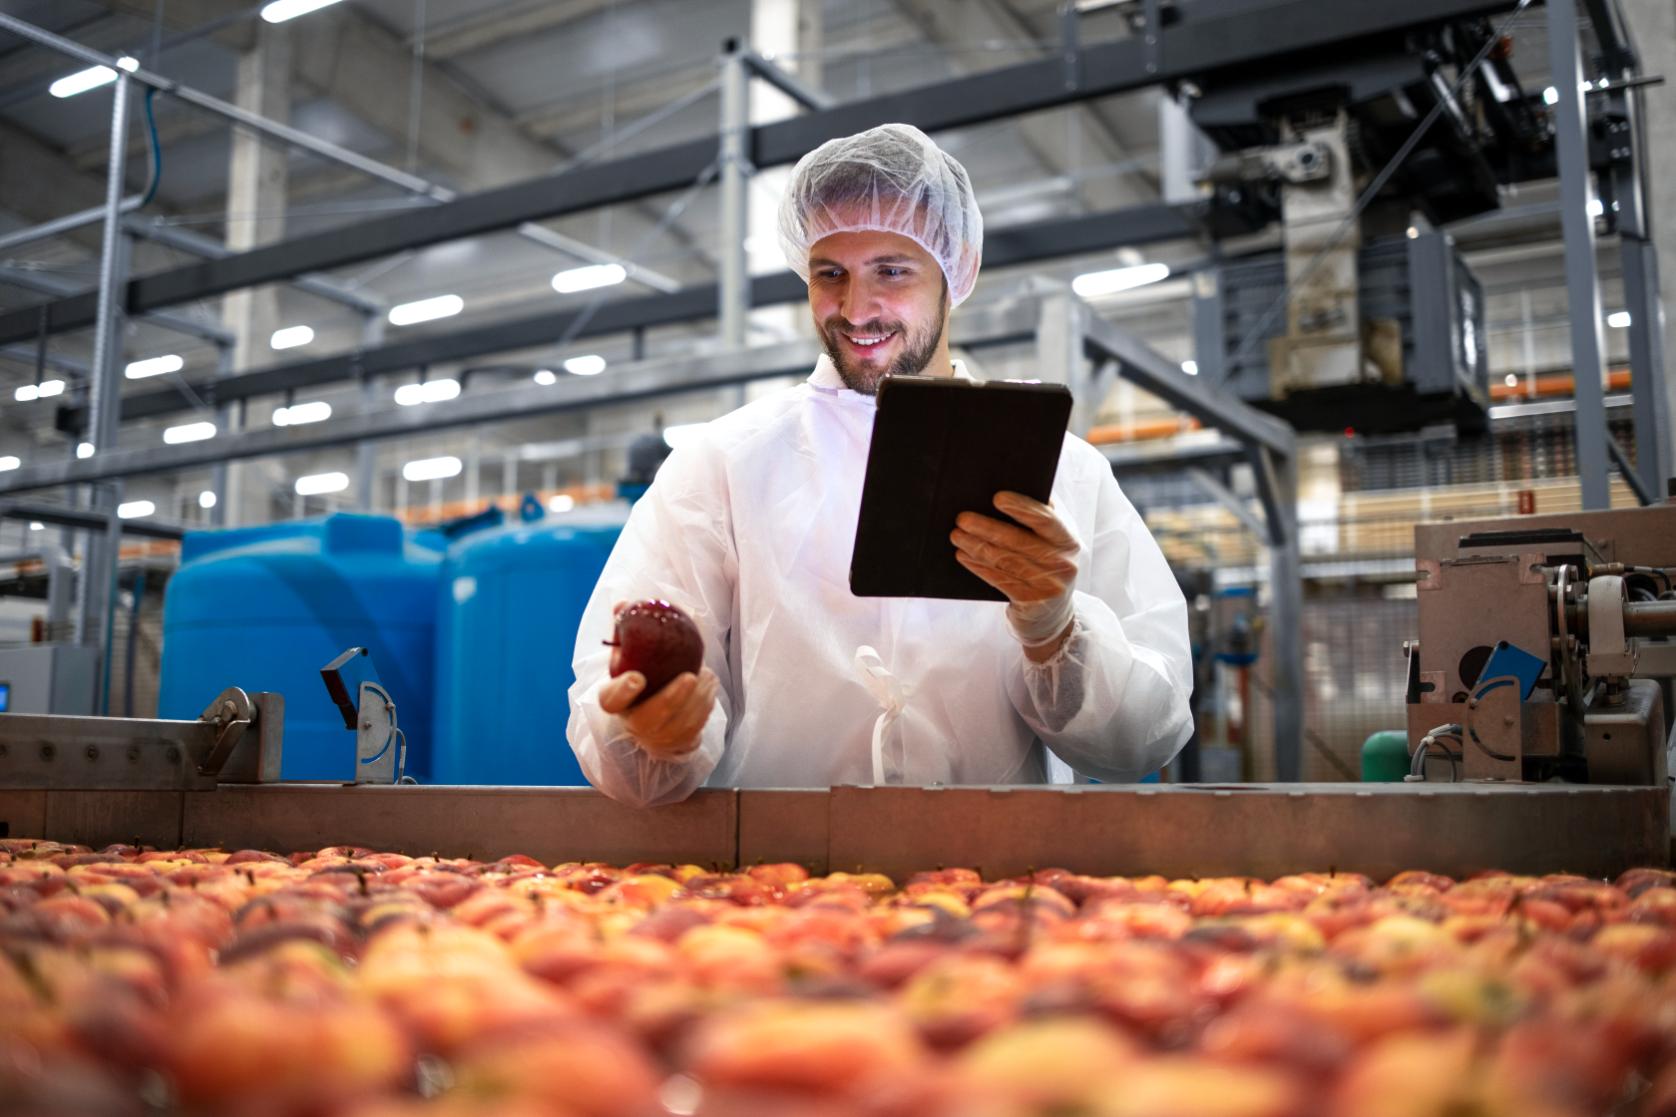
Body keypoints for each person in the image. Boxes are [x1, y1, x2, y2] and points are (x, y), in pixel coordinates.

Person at [566, 123, 1192, 807]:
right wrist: (657, 730)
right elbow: (620, 694)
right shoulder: (722, 465)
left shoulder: (1066, 474)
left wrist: (1057, 632)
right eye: (829, 273)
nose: (856, 309)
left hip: (993, 885)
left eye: (892, 271)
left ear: (958, 269)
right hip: (778, 889)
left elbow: (1145, 737)